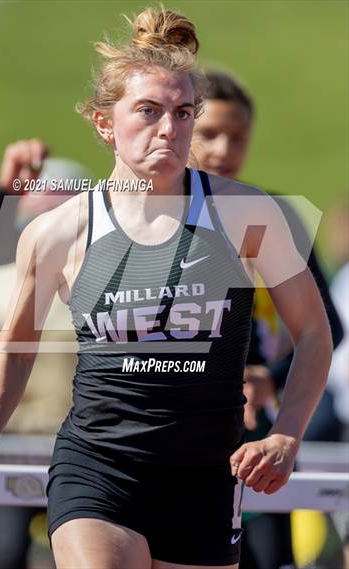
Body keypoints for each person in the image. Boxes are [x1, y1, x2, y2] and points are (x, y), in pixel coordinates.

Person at [0, 7, 333, 569]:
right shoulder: (60, 230)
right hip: (98, 467)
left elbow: (317, 332)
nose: (168, 129)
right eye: (148, 111)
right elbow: (14, 346)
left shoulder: (248, 213)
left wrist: (288, 436)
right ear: (105, 123)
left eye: (182, 113)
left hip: (204, 473)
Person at [190, 69, 343, 569]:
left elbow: (329, 328)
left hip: (258, 428)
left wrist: (268, 378)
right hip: (175, 426)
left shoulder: (275, 215)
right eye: (209, 133)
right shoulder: (153, 215)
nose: (222, 149)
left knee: (268, 556)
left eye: (238, 137)